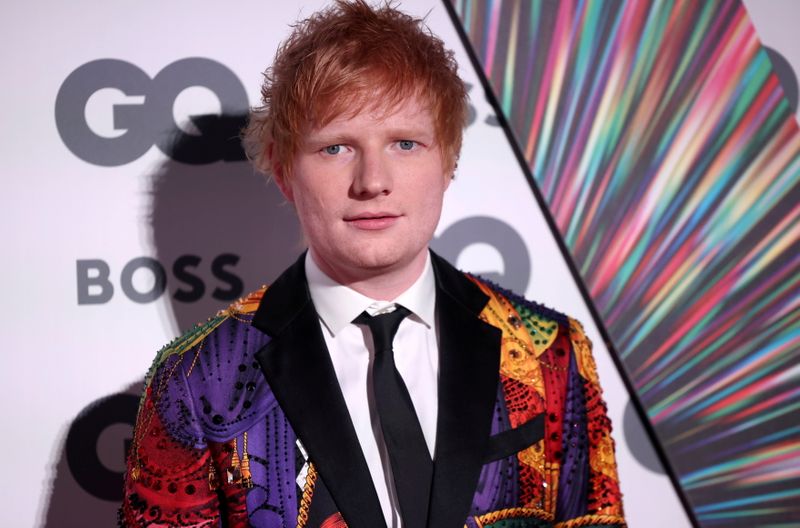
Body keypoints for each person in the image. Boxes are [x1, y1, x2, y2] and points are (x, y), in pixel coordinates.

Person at [120, 1, 626, 527]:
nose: (372, 181)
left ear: (448, 158)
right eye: (336, 148)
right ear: (282, 169)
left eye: (405, 143)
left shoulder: (551, 349)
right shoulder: (194, 381)